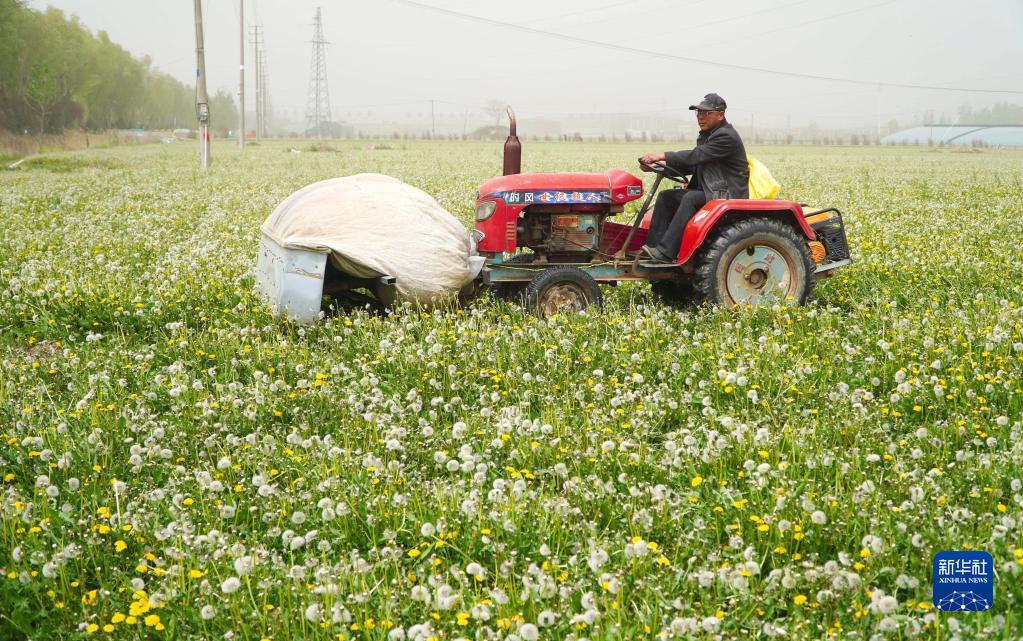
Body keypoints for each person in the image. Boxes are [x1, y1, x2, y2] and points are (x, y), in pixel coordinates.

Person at [637, 93, 749, 263]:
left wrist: (661, 156)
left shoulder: (726, 136)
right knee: (666, 197)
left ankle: (666, 253)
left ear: (720, 114)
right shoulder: (708, 136)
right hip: (711, 191)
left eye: (706, 113)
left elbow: (695, 156)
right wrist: (657, 168)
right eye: (698, 113)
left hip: (726, 194)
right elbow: (693, 165)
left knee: (690, 198)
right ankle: (654, 248)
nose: (700, 117)